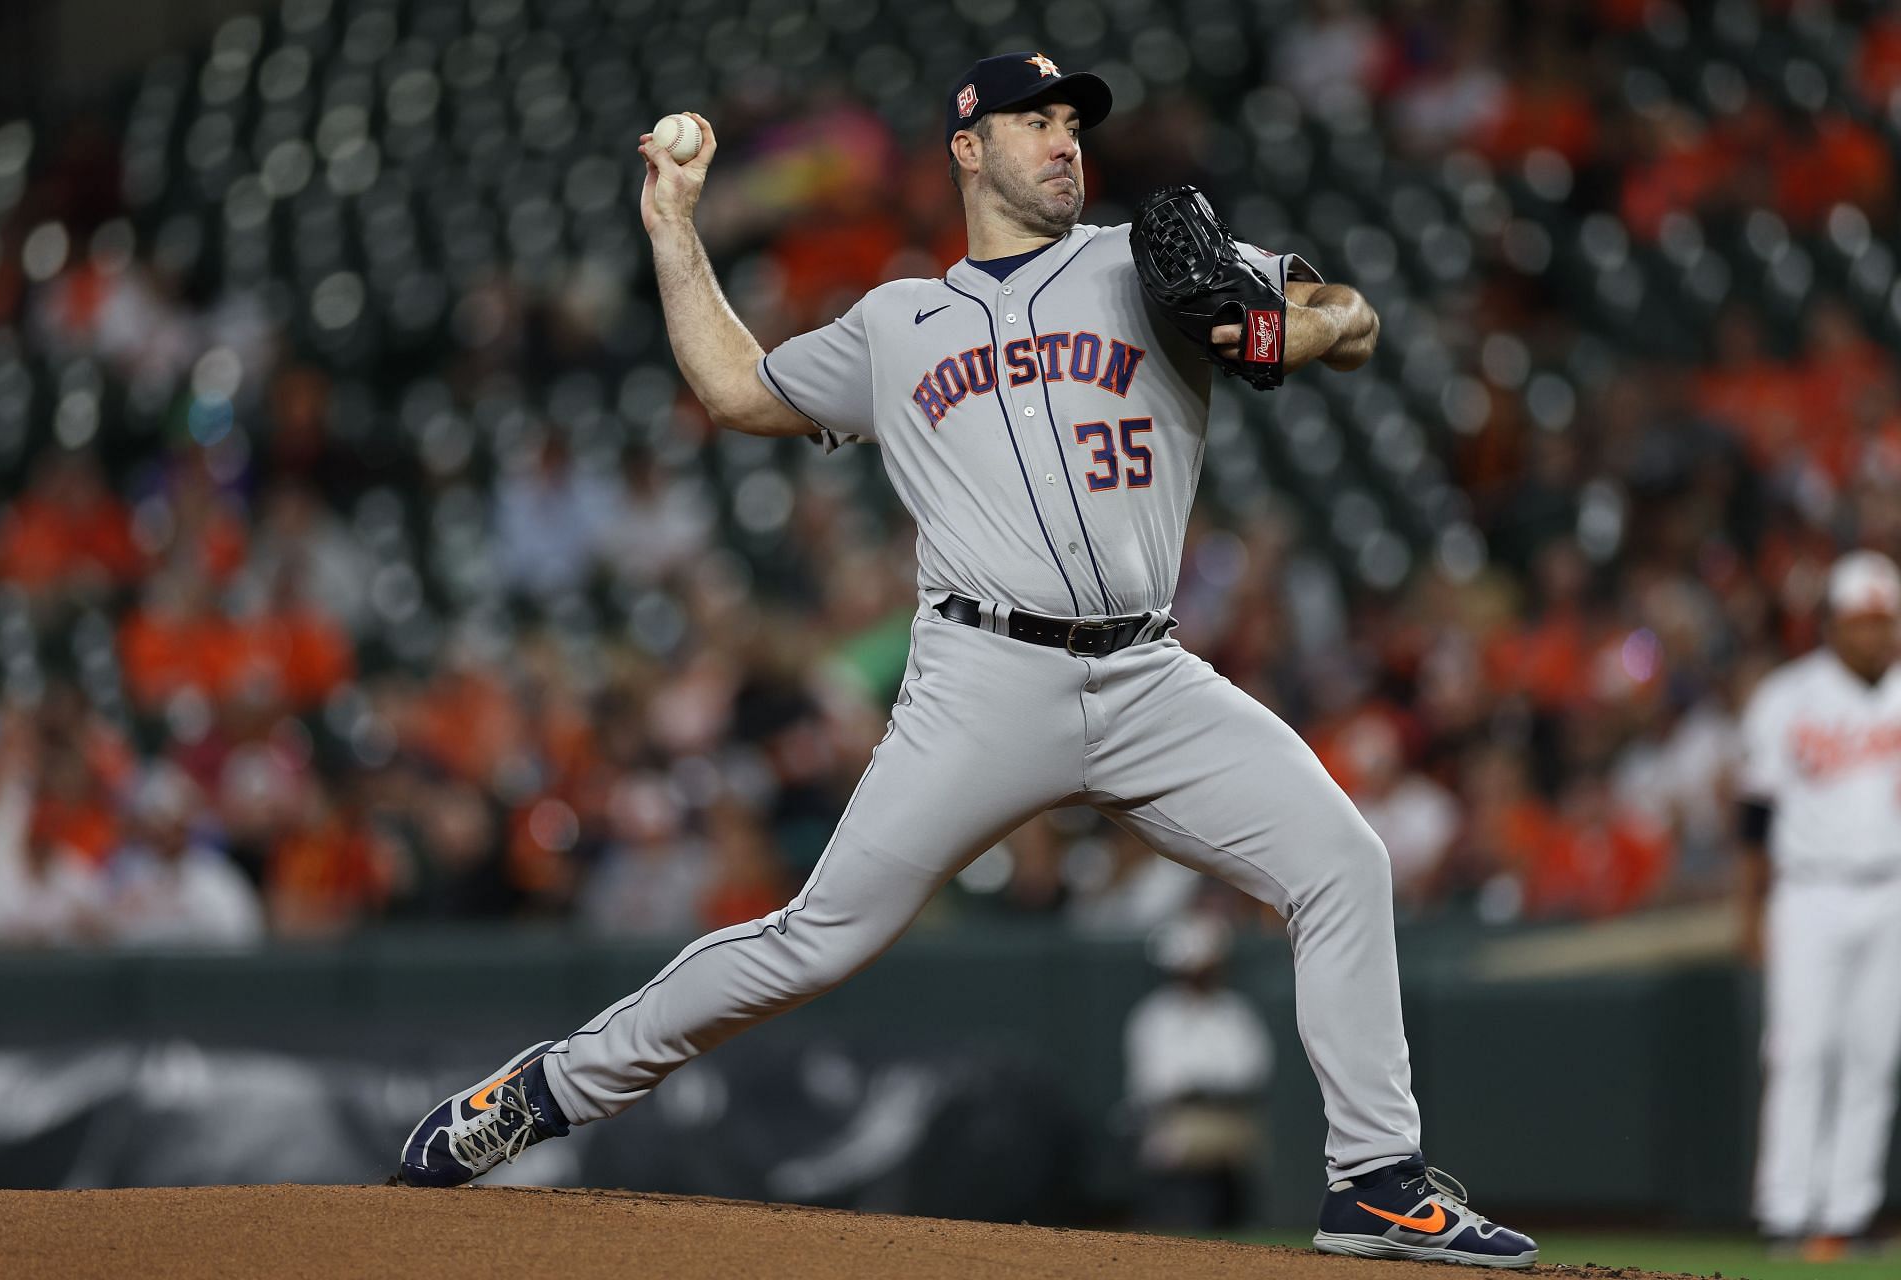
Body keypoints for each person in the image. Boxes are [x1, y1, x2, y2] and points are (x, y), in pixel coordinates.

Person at [398, 52, 1537, 1267]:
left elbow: (1352, 320)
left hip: (1151, 674)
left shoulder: (1141, 261)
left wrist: (1287, 324)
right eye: (1032, 121)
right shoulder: (898, 321)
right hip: (980, 680)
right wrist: (674, 227)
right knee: (814, 938)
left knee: (1340, 862)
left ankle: (1375, 1179)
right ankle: (542, 1092)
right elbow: (736, 388)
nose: (1062, 141)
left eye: (1071, 123)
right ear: (966, 149)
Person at [1738, 550, 1901, 1262]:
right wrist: (1749, 911)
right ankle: (1785, 1210)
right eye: (1861, 621)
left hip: (1892, 888)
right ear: (1831, 625)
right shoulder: (1786, 697)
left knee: (1875, 1057)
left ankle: (1848, 1211)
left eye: (1883, 621)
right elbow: (1754, 818)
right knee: (1801, 1051)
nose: (1873, 635)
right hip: (1806, 891)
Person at [1124, 915, 1272, 1230]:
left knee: (1237, 1139)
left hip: (1227, 1115)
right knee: (1179, 1140)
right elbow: (1155, 1084)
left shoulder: (1233, 1011)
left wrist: (1205, 1084)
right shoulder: (1156, 1016)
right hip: (1174, 1118)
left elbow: (1251, 1071)